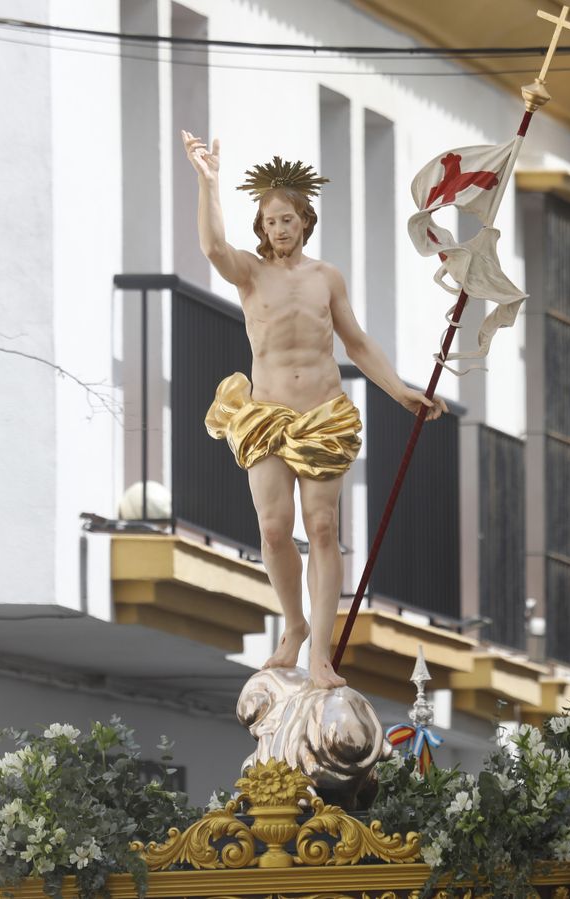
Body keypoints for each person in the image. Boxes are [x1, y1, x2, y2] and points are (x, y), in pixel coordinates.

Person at [184, 131, 445, 690]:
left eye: (286, 219)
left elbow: (356, 342)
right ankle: (294, 625)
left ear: (304, 221)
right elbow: (212, 247)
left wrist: (400, 391)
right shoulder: (250, 273)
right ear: (261, 228)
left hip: (323, 415)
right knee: (275, 529)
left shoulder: (327, 278)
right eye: (269, 221)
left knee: (323, 527)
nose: (278, 229)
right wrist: (209, 183)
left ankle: (321, 653)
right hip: (267, 416)